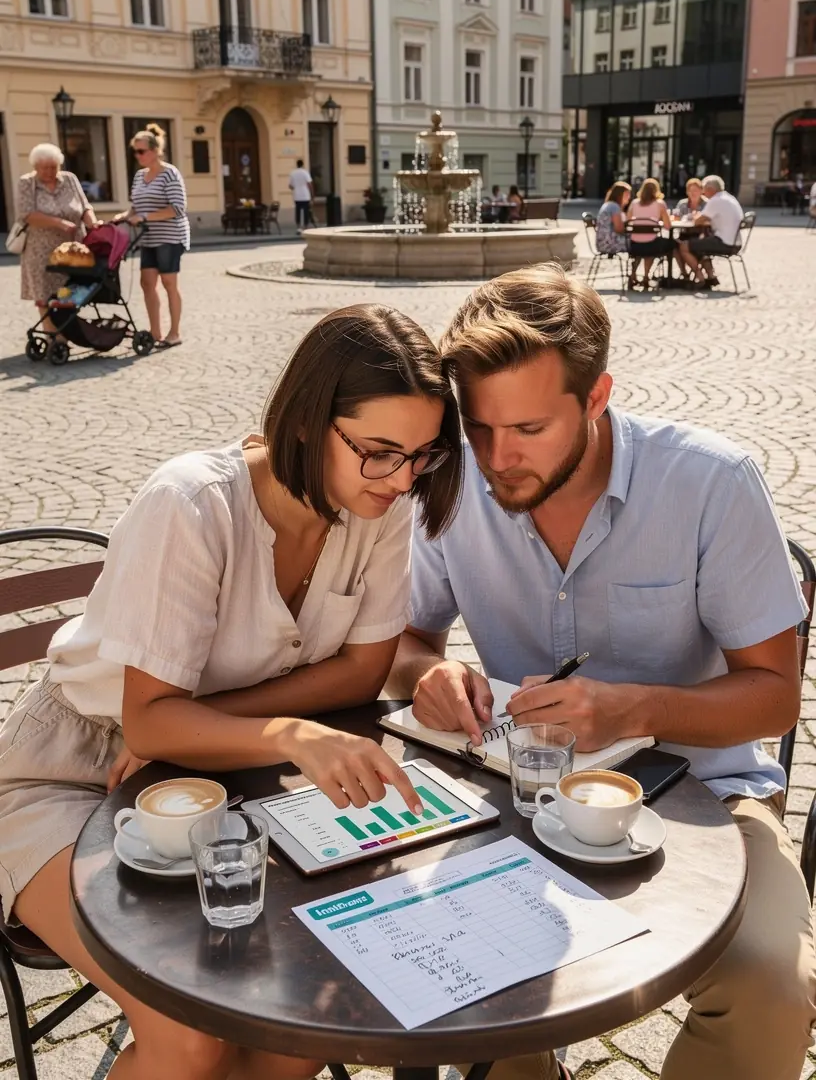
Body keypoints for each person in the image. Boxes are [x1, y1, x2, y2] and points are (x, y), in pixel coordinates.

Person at [0, 304, 462, 1080]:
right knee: (191, 1037)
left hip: (222, 778)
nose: (405, 477)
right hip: (66, 776)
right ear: (312, 421)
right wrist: (284, 733)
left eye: (424, 455)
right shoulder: (194, 504)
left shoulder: (376, 504)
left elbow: (362, 671)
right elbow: (144, 719)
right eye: (381, 452)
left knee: (317, 1000)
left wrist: (190, 729)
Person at [388, 265, 815, 1080]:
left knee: (771, 980)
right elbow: (408, 642)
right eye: (477, 428)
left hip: (710, 803)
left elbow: (771, 698)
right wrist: (426, 678)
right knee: (445, 959)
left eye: (528, 429)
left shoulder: (711, 482)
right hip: (511, 800)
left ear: (596, 398)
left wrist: (629, 710)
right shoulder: (454, 482)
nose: (496, 458)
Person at [115, 124, 189, 349]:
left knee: (168, 283)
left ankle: (174, 332)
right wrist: (124, 216)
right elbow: (136, 206)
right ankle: (155, 331)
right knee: (147, 283)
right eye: (135, 151)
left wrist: (145, 217)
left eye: (141, 151)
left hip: (170, 236)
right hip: (147, 238)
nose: (138, 156)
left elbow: (177, 208)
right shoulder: (139, 176)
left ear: (155, 150)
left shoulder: (170, 173)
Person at [16, 142, 98, 338]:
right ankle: (52, 335)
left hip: (73, 250)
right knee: (44, 294)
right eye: (45, 167)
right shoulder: (27, 183)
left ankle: (68, 331)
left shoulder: (69, 179)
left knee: (68, 293)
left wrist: (93, 223)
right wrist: (59, 223)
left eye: (54, 167)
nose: (50, 171)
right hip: (40, 249)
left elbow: (85, 206)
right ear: (35, 167)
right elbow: (26, 214)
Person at [676, 175, 744, 289]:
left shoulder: (715, 200)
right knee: (700, 243)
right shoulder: (729, 197)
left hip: (724, 242)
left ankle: (700, 278)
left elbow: (698, 221)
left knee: (683, 247)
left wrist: (695, 217)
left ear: (710, 189)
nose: (703, 192)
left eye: (704, 189)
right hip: (735, 242)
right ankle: (710, 277)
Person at [625, 177, 678, 291]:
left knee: (640, 251)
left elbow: (628, 221)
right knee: (667, 245)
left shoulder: (634, 203)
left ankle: (633, 273)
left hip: (634, 244)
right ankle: (646, 276)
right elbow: (668, 226)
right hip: (652, 244)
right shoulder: (660, 204)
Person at [595, 181, 630, 262]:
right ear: (620, 195)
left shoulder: (608, 204)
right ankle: (634, 271)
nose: (629, 197)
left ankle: (633, 271)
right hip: (610, 243)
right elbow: (619, 229)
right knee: (639, 244)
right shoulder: (614, 207)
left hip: (602, 243)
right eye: (627, 194)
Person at [289, 159, 313, 233]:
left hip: (297, 195)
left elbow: (291, 186)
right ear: (302, 165)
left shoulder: (293, 173)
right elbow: (309, 184)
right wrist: (312, 194)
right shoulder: (305, 173)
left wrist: (296, 186)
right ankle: (305, 227)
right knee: (306, 212)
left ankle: (298, 227)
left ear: (297, 164)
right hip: (305, 195)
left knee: (298, 211)